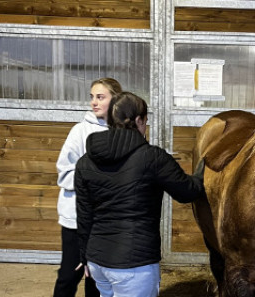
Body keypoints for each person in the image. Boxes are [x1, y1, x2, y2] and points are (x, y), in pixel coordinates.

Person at [75, 91, 206, 297]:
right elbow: (187, 192)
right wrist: (201, 172)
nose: (145, 127)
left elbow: (84, 215)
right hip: (134, 265)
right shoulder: (152, 157)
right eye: (145, 121)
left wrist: (85, 258)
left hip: (98, 262)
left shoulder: (84, 161)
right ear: (138, 120)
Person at [54, 78, 122, 297]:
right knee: (69, 274)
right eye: (92, 97)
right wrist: (97, 180)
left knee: (96, 277)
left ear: (116, 100)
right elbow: (64, 174)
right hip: (76, 219)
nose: (94, 102)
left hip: (104, 219)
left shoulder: (121, 133)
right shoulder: (79, 131)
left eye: (100, 97)